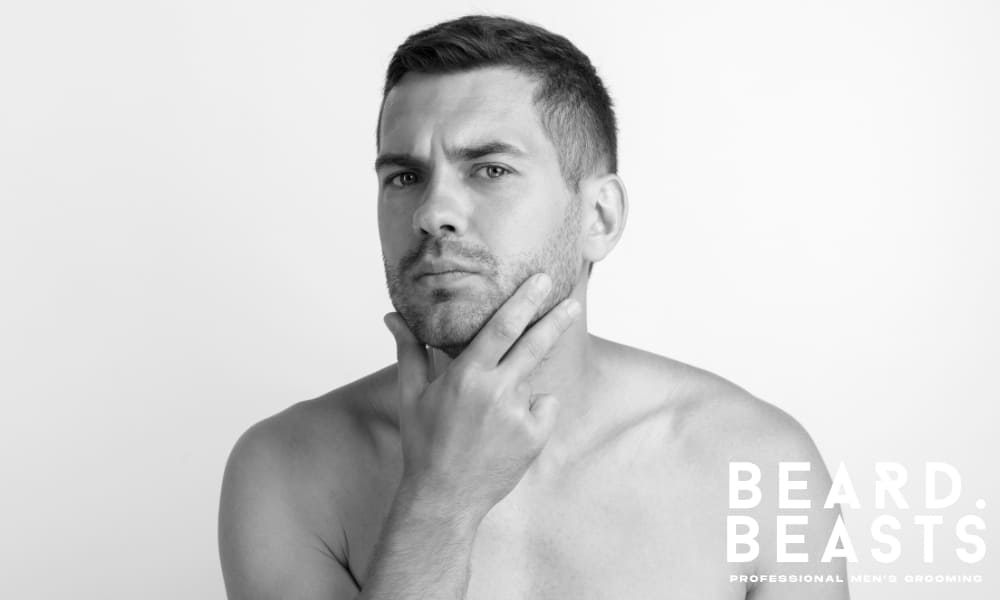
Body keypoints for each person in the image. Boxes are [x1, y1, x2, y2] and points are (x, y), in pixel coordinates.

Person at [219, 15, 849, 600]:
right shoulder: (286, 469)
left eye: (489, 169)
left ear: (598, 217)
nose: (432, 212)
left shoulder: (759, 464)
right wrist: (439, 499)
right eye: (404, 177)